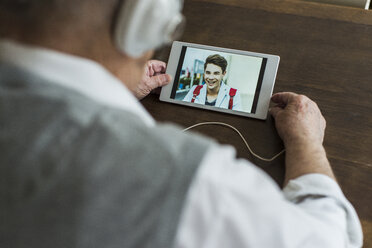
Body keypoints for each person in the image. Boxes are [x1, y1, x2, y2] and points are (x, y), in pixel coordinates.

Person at [0, 0, 363, 248]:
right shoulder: (177, 179)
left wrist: (113, 85)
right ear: (149, 19)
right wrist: (307, 143)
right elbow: (330, 240)